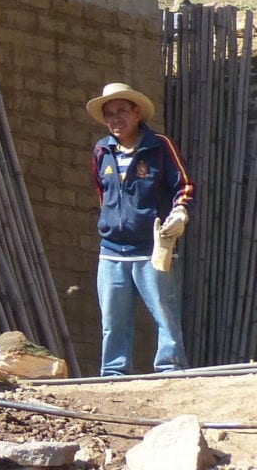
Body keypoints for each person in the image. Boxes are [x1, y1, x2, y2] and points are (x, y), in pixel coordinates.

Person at [89, 82, 194, 374]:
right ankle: (113, 373)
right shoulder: (101, 151)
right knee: (112, 321)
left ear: (137, 113)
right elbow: (103, 194)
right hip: (111, 250)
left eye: (121, 111)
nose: (115, 119)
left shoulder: (159, 146)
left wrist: (179, 213)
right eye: (109, 114)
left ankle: (170, 370)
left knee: (164, 314)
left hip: (153, 247)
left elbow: (183, 185)